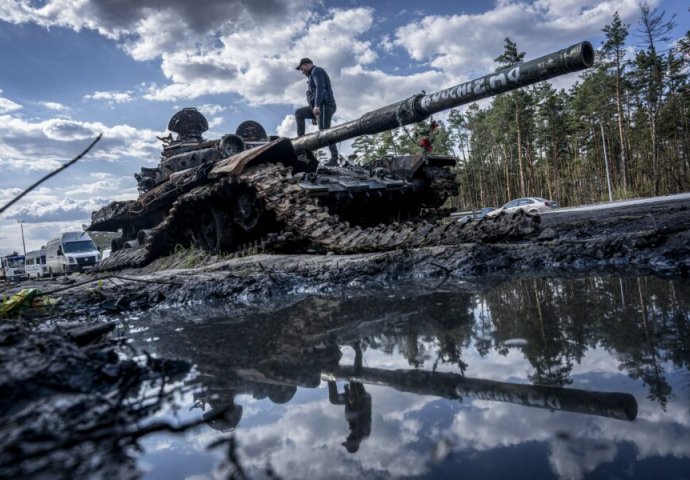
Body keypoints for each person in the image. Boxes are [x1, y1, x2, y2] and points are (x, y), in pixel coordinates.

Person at [294, 57, 339, 165]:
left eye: (301, 68)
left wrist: (317, 106)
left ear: (306, 65)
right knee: (299, 113)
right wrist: (315, 114)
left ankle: (334, 158)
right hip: (318, 107)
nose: (301, 71)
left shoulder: (317, 71)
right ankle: (300, 143)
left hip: (326, 105)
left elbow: (320, 88)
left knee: (325, 131)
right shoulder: (310, 76)